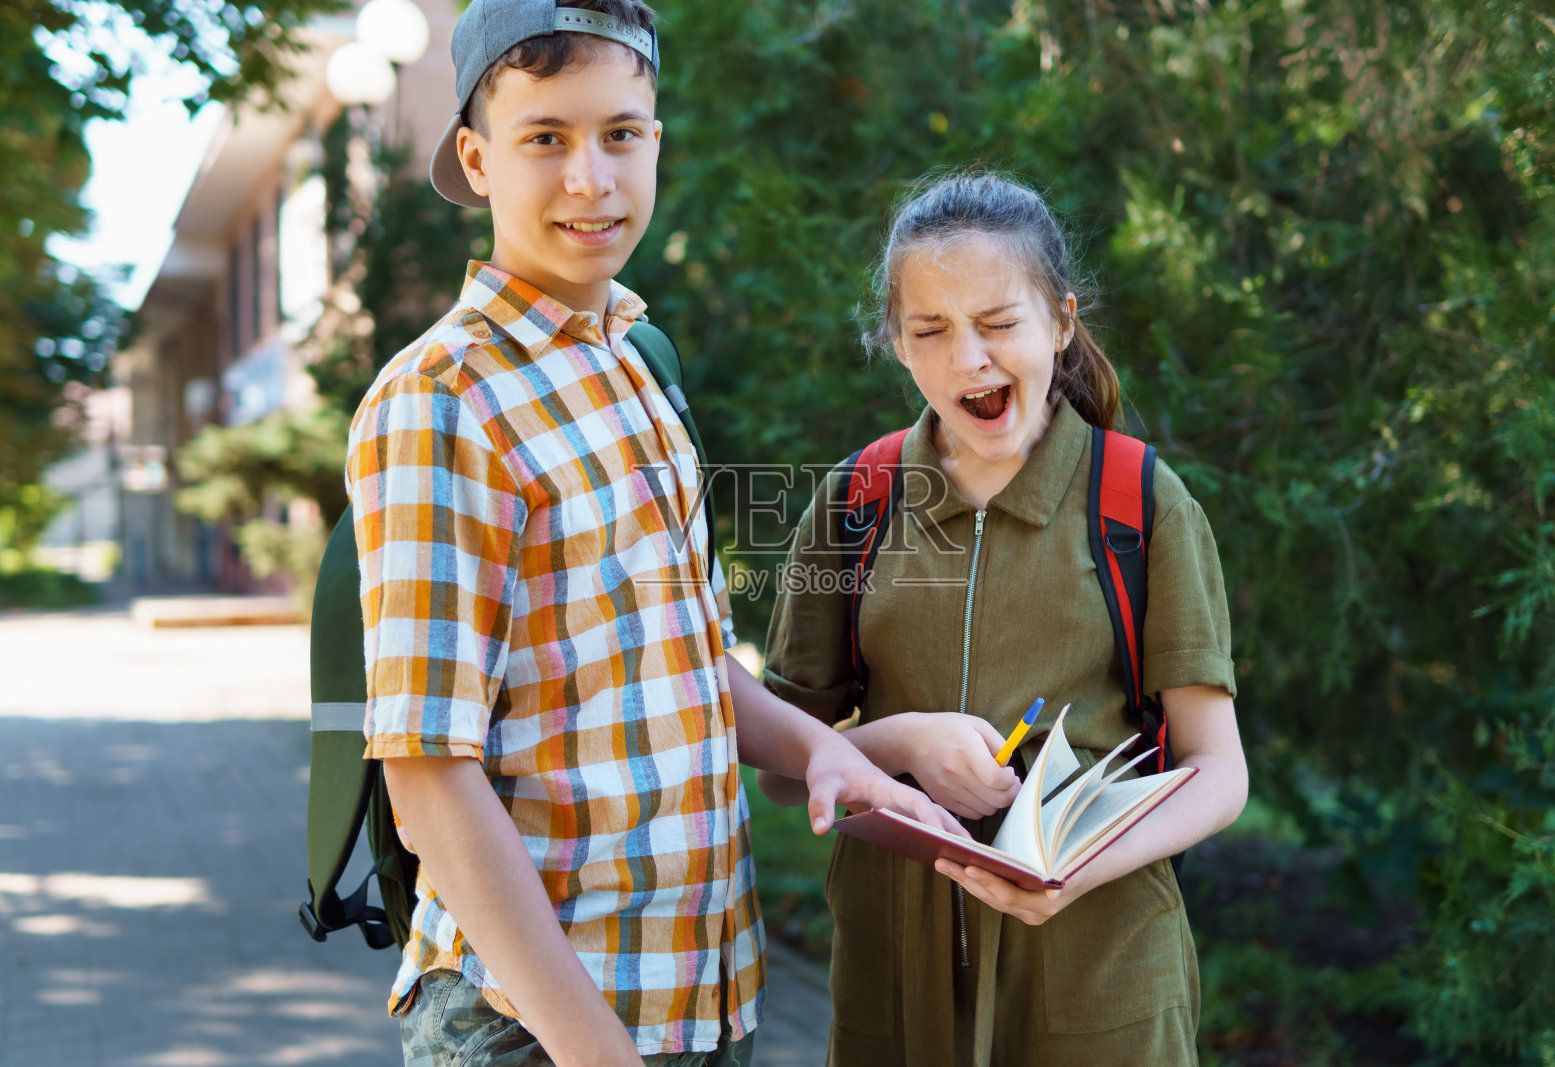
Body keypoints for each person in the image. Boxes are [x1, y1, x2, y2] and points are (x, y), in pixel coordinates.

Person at [344, 4, 963, 1065]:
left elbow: (679, 661)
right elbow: (427, 778)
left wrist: (821, 749)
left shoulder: (635, 361)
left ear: (656, 143)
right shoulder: (442, 399)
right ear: (476, 157)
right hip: (540, 1027)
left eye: (621, 133)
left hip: (702, 996)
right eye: (547, 137)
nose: (592, 178)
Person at [757, 171, 1250, 1067]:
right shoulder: (853, 505)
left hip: (1101, 980)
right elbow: (788, 769)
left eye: (999, 324)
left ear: (1061, 322)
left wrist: (1062, 878)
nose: (968, 361)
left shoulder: (1141, 501)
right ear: (896, 346)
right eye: (931, 332)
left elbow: (1220, 772)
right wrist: (900, 739)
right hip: (891, 985)